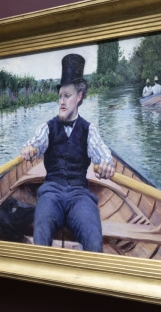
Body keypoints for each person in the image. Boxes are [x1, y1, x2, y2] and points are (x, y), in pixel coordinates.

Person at [20, 54, 115, 252]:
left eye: (67, 96)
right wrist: (29, 149)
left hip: (80, 196)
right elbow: (33, 145)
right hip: (51, 192)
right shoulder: (48, 127)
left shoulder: (90, 129)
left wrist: (106, 165)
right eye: (60, 96)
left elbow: (104, 157)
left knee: (94, 238)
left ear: (79, 96)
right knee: (42, 231)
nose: (61, 101)